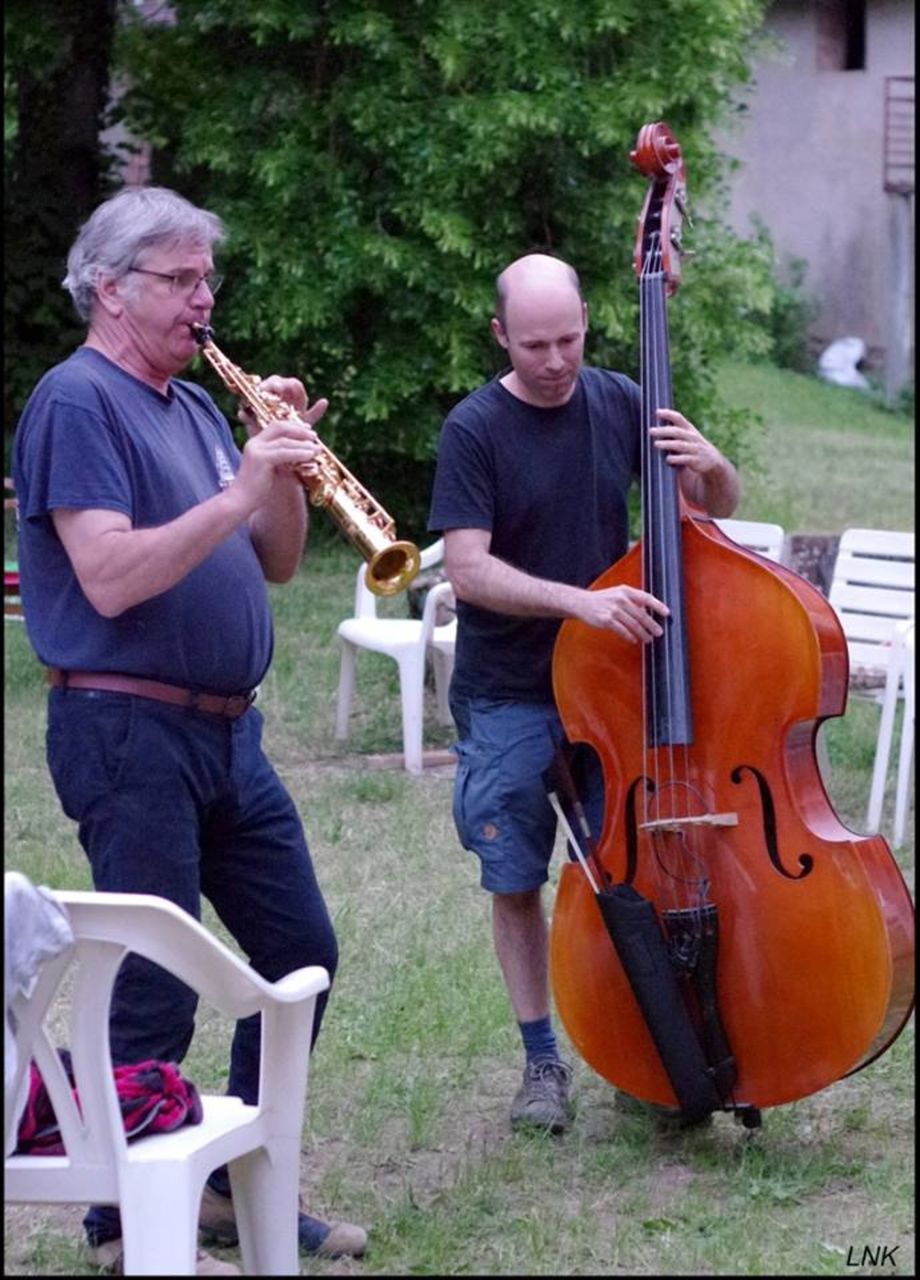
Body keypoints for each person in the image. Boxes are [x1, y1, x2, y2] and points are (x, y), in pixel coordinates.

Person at [11, 186, 367, 1274]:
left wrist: (284, 464)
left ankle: (222, 1184)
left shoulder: (198, 406)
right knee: (154, 979)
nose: (203, 300)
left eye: (207, 278)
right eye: (181, 279)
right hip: (127, 728)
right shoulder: (76, 401)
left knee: (298, 952)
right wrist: (233, 492)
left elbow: (273, 558)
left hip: (226, 735)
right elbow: (110, 578)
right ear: (110, 289)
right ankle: (123, 1220)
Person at [427, 252, 740, 1135]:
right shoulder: (474, 430)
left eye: (568, 338)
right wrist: (581, 604)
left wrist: (713, 469)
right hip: (512, 691)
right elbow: (468, 569)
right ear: (501, 337)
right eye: (535, 345)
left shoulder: (617, 399)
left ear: (586, 324)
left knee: (626, 878)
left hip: (611, 693)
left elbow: (708, 511)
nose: (556, 359)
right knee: (517, 878)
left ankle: (646, 1053)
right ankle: (539, 1063)